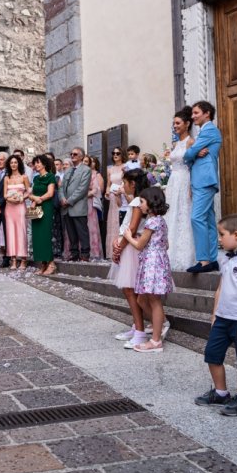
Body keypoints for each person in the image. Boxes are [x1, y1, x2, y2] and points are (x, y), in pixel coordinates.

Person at [194, 214, 237, 416]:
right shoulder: (224, 259)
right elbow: (220, 289)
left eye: (222, 234)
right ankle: (221, 392)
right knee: (212, 355)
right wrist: (214, 315)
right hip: (222, 317)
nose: (219, 239)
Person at [123, 187, 172, 353]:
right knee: (142, 300)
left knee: (153, 300)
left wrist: (128, 236)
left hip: (152, 263)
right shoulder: (160, 221)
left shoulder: (151, 222)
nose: (140, 205)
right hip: (155, 260)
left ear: (150, 204)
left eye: (142, 202)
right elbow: (166, 244)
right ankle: (159, 326)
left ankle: (156, 340)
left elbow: (139, 245)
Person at [110, 169, 153, 348]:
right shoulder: (137, 200)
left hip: (131, 248)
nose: (122, 186)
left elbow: (133, 228)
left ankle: (140, 331)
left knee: (130, 290)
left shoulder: (137, 201)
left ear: (132, 184)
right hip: (129, 245)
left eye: (124, 183)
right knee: (130, 290)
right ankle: (137, 326)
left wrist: (120, 246)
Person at [184, 101, 222, 273]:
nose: (193, 117)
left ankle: (204, 260)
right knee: (208, 220)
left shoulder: (210, 130)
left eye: (196, 113)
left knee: (197, 218)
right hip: (201, 180)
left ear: (207, 113)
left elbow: (188, 154)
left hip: (205, 180)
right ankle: (213, 259)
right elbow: (192, 154)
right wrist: (194, 152)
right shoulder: (203, 133)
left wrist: (192, 152)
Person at [165, 108, 196, 271]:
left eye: (178, 123)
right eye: (174, 123)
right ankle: (170, 253)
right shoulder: (176, 144)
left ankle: (185, 255)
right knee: (172, 214)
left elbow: (194, 166)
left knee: (184, 213)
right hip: (173, 181)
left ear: (187, 124)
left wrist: (192, 186)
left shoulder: (191, 142)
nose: (175, 126)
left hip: (185, 180)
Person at [60, 147, 91, 262]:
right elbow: (61, 187)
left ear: (82, 157)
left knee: (82, 231)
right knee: (71, 232)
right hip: (66, 207)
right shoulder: (68, 170)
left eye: (75, 154)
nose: (72, 156)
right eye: (71, 154)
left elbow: (82, 189)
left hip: (77, 206)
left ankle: (85, 253)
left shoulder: (86, 170)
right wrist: (62, 198)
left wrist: (69, 201)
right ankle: (74, 253)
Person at [29, 154, 57, 275]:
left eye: (38, 162)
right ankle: (43, 264)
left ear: (44, 164)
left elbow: (50, 193)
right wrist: (34, 199)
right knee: (37, 237)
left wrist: (38, 199)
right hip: (35, 207)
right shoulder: (35, 179)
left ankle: (51, 263)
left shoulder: (50, 176)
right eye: (35, 163)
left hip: (46, 207)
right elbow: (29, 193)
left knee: (45, 236)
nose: (36, 165)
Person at [4, 155, 29, 270]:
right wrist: (9, 199)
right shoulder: (6, 178)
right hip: (9, 208)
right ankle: (13, 259)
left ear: (19, 163)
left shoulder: (24, 177)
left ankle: (23, 259)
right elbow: (4, 195)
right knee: (11, 232)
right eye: (11, 162)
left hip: (20, 207)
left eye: (15, 162)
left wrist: (21, 198)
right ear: (9, 165)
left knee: (21, 231)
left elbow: (29, 191)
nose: (13, 164)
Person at [105, 146, 126, 258]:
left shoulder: (125, 166)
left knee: (121, 220)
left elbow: (126, 181)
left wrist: (121, 190)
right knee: (113, 221)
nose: (115, 155)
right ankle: (111, 251)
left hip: (122, 196)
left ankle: (121, 248)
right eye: (113, 153)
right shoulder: (110, 169)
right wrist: (107, 191)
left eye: (118, 153)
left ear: (122, 155)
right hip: (113, 197)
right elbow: (108, 183)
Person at [86, 156, 105, 261]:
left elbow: (99, 190)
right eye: (90, 161)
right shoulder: (85, 173)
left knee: (92, 226)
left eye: (93, 161)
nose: (91, 163)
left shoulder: (97, 175)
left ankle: (95, 251)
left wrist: (88, 189)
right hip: (83, 202)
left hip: (92, 202)